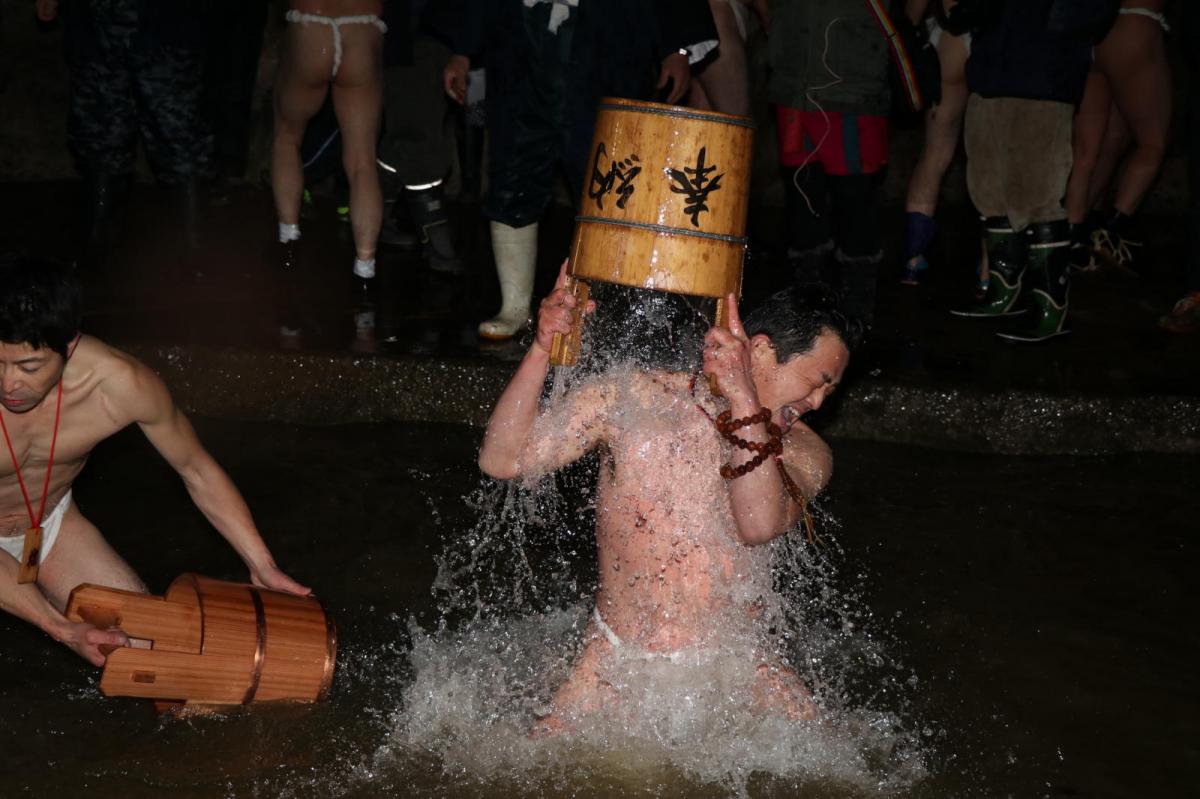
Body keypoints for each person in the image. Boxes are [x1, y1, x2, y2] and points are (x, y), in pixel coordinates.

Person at [478, 265, 860, 730]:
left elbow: (758, 523)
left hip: (739, 666)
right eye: (818, 380)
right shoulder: (635, 399)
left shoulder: (804, 451)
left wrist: (743, 399)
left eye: (830, 390)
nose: (818, 402)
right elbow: (504, 459)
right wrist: (542, 349)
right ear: (761, 350)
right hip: (614, 659)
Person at [0, 256, 309, 667]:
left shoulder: (122, 385)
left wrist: (262, 564)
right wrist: (60, 628)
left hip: (49, 523)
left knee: (149, 652)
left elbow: (196, 469)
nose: (9, 383)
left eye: (29, 366)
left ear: (69, 346)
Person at [434, 0, 718, 341]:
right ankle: (514, 307)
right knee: (512, 169)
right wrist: (462, 51)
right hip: (521, 40)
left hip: (610, 43)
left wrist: (678, 48)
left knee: (612, 177)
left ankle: (608, 312)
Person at [949, 0, 1118, 343]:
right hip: (990, 72)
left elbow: (1095, 11)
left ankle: (1048, 306)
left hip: (1043, 75)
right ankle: (1003, 291)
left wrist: (1051, 24)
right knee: (987, 189)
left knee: (1039, 194)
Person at [35, 0, 212, 264]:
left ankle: (194, 250)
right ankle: (97, 246)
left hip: (165, 21)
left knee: (178, 131)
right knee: (99, 129)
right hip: (95, 21)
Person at [766, 0, 893, 325]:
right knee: (802, 194)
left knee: (855, 196)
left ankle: (857, 311)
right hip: (794, 84)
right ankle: (806, 306)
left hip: (854, 84)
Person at [271, 0, 386, 284]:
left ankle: (288, 242)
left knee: (286, 137)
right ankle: (365, 267)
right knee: (363, 161)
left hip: (312, 26)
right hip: (361, 28)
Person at [1065, 0, 1172, 273]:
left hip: (1095, 32)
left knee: (1097, 145)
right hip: (1135, 26)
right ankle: (1109, 230)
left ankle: (1072, 234)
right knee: (1152, 143)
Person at [899, 0, 974, 288]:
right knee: (992, 153)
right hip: (989, 39)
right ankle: (989, 271)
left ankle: (913, 260)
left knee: (934, 155)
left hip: (947, 38)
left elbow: (912, 14)